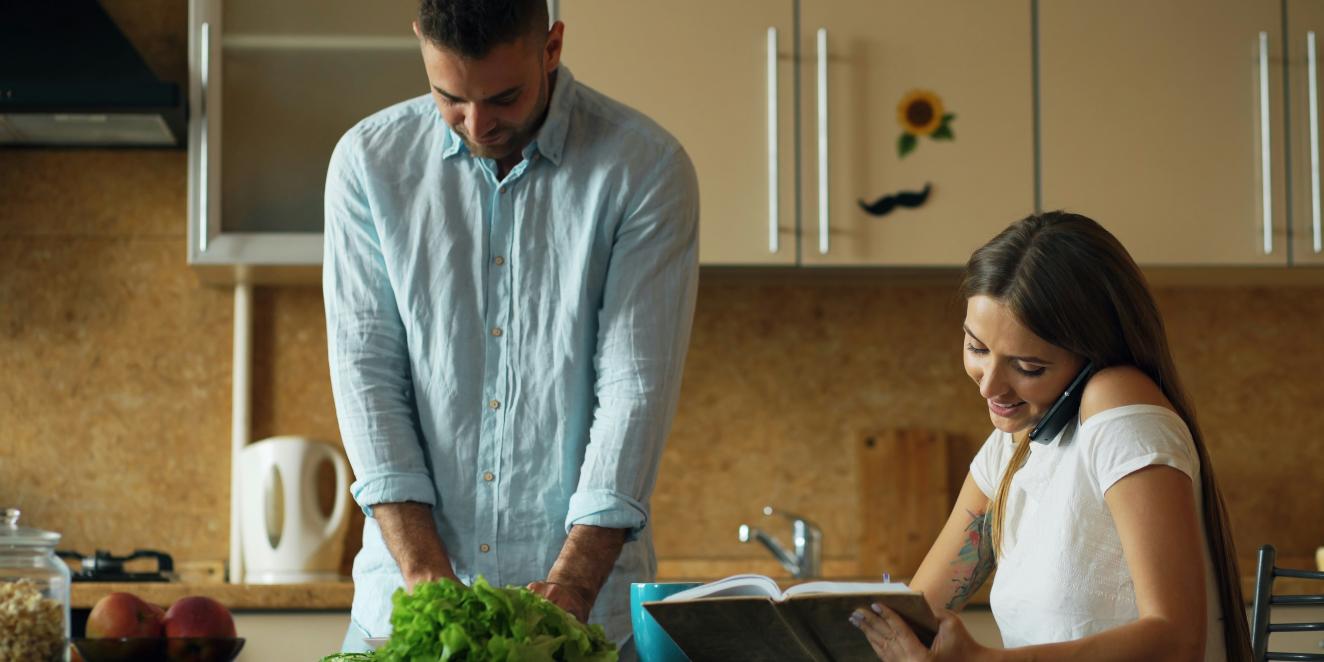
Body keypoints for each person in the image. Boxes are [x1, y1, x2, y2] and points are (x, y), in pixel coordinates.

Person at [321, 0, 699, 653]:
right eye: (451, 98)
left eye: (503, 97)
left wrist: (571, 592)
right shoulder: (367, 163)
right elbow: (367, 376)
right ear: (420, 46)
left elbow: (635, 391)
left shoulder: (644, 167)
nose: (477, 123)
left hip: (587, 618)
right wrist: (424, 580)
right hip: (400, 614)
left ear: (551, 47)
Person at [850, 212, 1252, 661]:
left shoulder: (1116, 401)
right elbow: (916, 615)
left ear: (1093, 353)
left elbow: (1176, 641)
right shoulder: (1015, 440)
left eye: (1028, 367)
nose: (989, 386)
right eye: (976, 348)